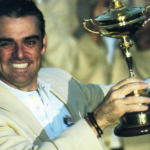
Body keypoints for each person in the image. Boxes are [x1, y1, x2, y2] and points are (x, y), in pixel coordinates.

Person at [0, 0, 150, 149]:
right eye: (6, 44)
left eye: (30, 42)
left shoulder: (58, 78)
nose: (19, 54)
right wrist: (96, 123)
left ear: (43, 44)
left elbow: (115, 97)